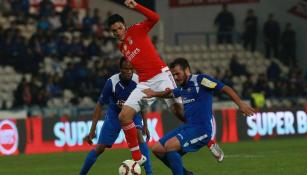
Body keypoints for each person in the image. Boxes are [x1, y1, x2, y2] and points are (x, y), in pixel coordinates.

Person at [143, 58, 256, 175]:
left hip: (201, 130)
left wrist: (241, 104)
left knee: (170, 147)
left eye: (177, 73)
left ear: (186, 70)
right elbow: (170, 93)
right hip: (188, 127)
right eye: (173, 75)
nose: (175, 77)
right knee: (157, 149)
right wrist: (154, 93)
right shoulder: (182, 87)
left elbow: (224, 88)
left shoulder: (201, 80)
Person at [107, 0, 184, 164]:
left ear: (125, 26)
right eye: (114, 31)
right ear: (111, 32)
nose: (118, 32)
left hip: (161, 75)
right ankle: (137, 159)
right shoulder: (122, 48)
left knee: (178, 111)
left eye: (120, 28)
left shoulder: (137, 30)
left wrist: (136, 6)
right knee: (124, 116)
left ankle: (207, 138)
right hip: (144, 83)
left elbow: (155, 18)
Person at [80, 58, 153, 175]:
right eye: (126, 68)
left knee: (139, 137)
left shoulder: (138, 80)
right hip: (115, 114)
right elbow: (99, 105)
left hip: (132, 112)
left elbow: (143, 103)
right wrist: (92, 130)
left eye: (131, 69)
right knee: (99, 148)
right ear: (120, 70)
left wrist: (145, 124)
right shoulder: (111, 82)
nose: (129, 71)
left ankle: (150, 173)